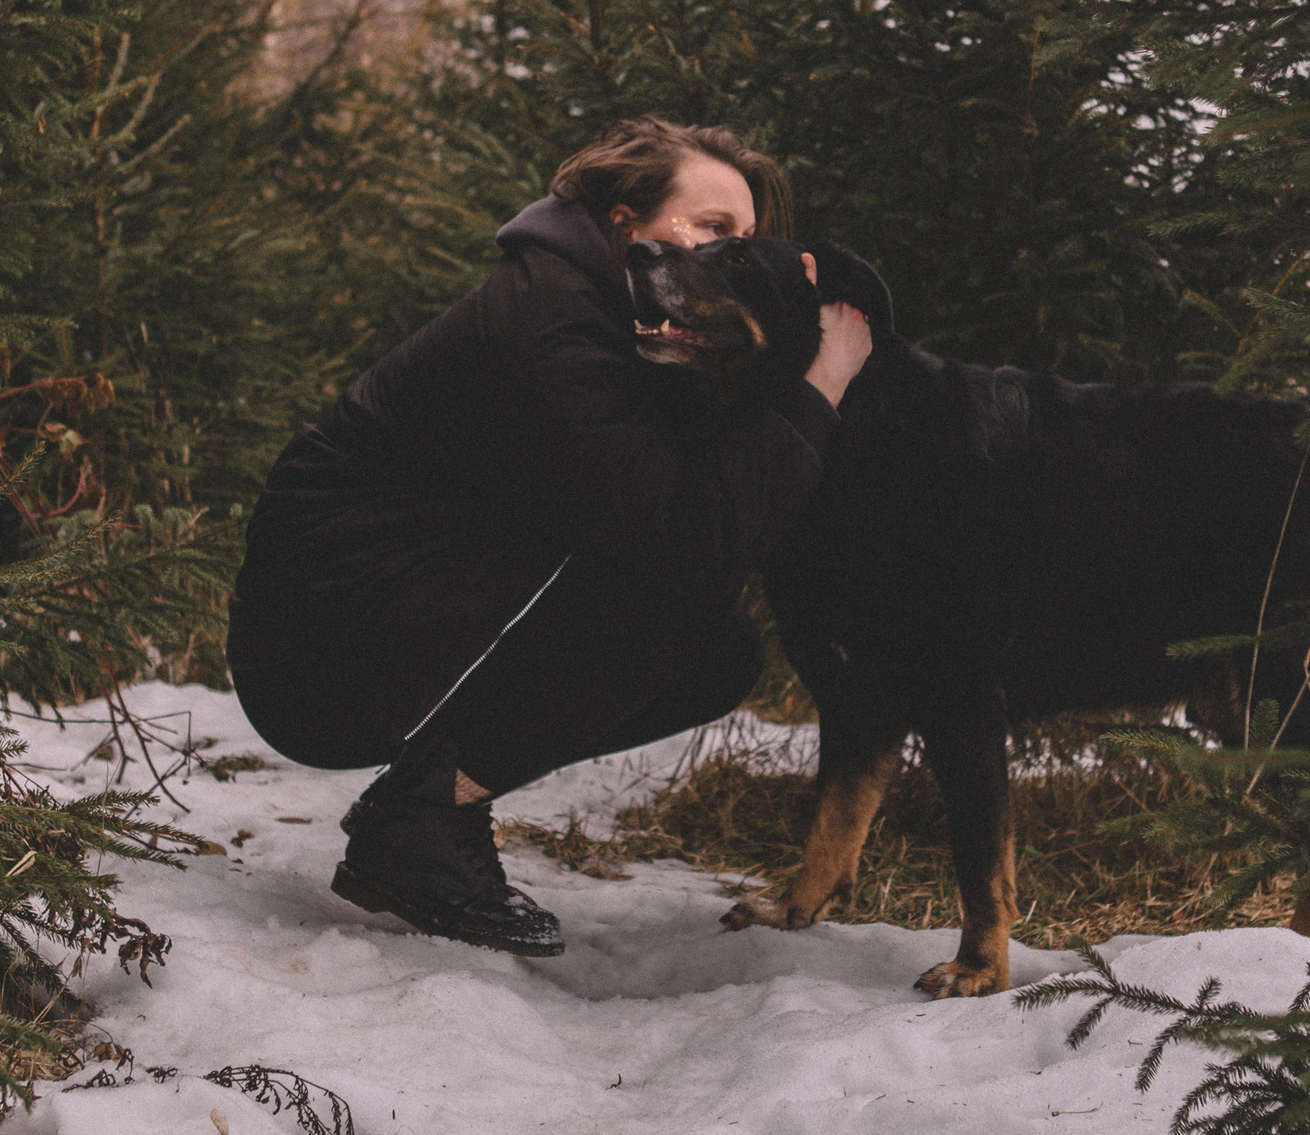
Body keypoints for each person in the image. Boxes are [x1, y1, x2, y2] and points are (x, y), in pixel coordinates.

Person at [225, 117, 872, 957]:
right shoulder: (551, 320)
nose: (730, 256)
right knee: (683, 609)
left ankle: (432, 808)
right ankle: (419, 825)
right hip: (320, 647)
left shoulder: (619, 315)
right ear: (624, 221)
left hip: (396, 603)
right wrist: (821, 382)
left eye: (747, 242)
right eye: (712, 231)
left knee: (714, 645)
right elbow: (696, 540)